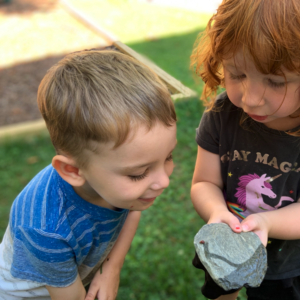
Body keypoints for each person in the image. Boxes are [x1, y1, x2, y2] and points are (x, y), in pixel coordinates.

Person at [190, 0, 300, 299]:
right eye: (237, 74)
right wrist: (217, 211)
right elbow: (204, 182)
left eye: (274, 82)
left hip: (287, 263)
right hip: (224, 249)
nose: (251, 99)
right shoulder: (223, 113)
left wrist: (266, 222)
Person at [0, 50, 177, 300]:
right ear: (73, 171)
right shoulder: (45, 230)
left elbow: (132, 210)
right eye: (139, 174)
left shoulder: (114, 184)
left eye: (168, 157)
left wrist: (111, 268)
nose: (164, 181)